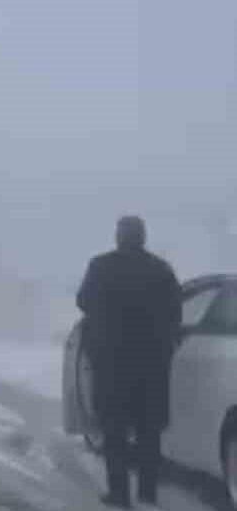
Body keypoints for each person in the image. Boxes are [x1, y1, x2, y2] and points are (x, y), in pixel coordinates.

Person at [76, 216, 182, 509]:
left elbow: (83, 300)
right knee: (149, 432)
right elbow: (176, 310)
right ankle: (148, 493)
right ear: (143, 237)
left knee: (114, 432)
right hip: (151, 365)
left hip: (111, 364)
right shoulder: (161, 270)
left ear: (119, 237)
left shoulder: (101, 266)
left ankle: (119, 495)